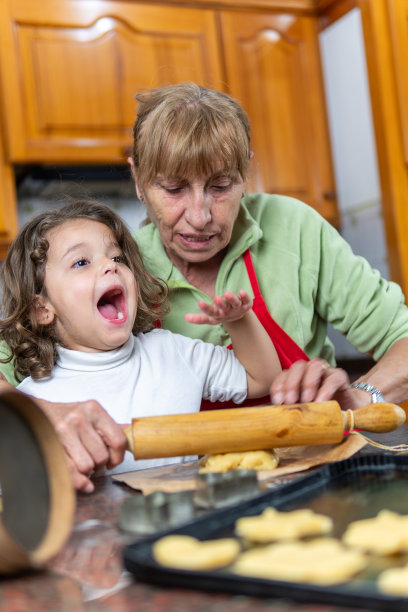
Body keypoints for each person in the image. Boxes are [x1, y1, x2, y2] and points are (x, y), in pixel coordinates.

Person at [1, 82, 408, 492]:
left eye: (220, 186)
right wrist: (43, 415)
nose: (199, 216)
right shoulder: (123, 263)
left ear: (245, 172)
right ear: (138, 180)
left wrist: (359, 398)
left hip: (317, 476)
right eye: (174, 189)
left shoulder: (295, 228)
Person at [0, 199, 281, 475]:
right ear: (41, 310)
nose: (110, 266)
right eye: (81, 262)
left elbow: (261, 379)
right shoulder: (31, 403)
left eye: (117, 257)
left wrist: (239, 321)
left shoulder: (172, 352)